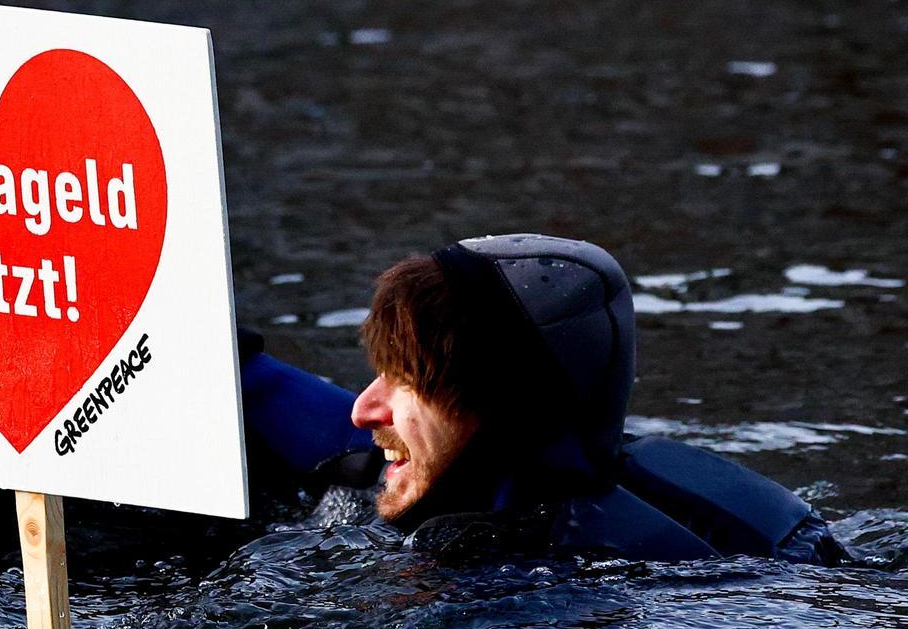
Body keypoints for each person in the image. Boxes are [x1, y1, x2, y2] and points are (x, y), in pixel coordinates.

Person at [241, 233, 845, 564]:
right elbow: (337, 433)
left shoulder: (572, 584)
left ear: (501, 411)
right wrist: (230, 360)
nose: (363, 410)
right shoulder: (520, 468)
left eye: (410, 382)